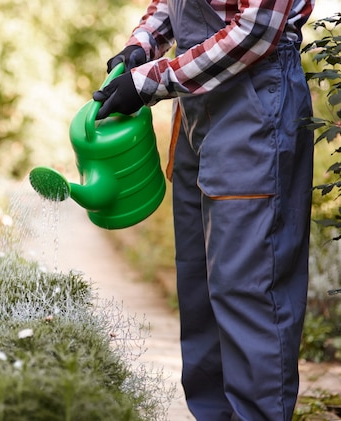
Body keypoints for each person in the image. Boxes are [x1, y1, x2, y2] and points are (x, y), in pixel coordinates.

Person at [92, 0, 315, 420]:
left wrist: (155, 79)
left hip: (254, 99)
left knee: (247, 286)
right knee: (200, 285)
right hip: (199, 102)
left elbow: (257, 29)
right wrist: (143, 44)